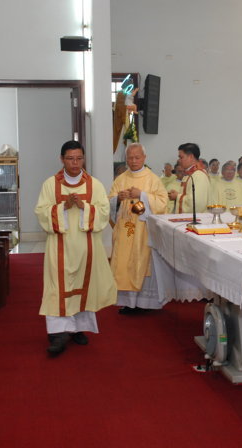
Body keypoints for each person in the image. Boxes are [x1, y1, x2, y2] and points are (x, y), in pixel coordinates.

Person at [34, 140, 117, 356]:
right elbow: (41, 212)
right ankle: (58, 334)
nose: (75, 163)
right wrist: (64, 206)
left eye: (79, 158)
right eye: (70, 158)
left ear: (83, 159)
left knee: (83, 286)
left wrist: (83, 207)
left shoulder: (94, 185)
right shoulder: (50, 184)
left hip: (86, 247)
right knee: (57, 288)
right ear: (62, 159)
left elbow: (104, 212)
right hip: (59, 246)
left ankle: (78, 328)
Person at [109, 143, 168, 313]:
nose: (133, 161)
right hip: (124, 232)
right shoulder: (120, 179)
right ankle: (128, 303)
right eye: (130, 158)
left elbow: (162, 203)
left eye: (137, 157)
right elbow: (109, 203)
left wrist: (141, 195)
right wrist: (118, 199)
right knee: (123, 265)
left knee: (142, 264)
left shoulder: (153, 179)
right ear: (126, 159)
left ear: (144, 158)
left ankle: (145, 303)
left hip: (144, 232)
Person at [169, 143, 210, 214]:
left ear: (191, 157)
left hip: (196, 219)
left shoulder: (198, 175)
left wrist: (177, 196)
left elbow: (196, 203)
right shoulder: (189, 173)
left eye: (181, 157)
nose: (179, 160)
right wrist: (178, 195)